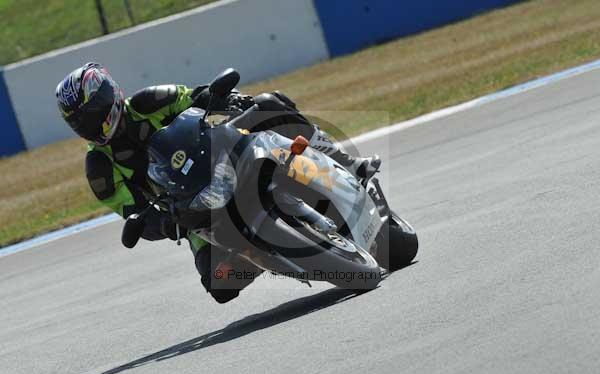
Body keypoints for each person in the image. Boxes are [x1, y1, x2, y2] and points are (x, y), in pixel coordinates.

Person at [56, 62, 380, 303]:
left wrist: (229, 100)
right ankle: (255, 257)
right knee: (220, 283)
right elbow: (134, 211)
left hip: (228, 158)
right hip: (192, 211)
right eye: (80, 122)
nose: (91, 123)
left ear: (110, 96)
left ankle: (346, 161)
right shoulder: (100, 167)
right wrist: (164, 224)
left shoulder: (152, 101)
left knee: (269, 103)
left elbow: (199, 98)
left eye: (93, 111)